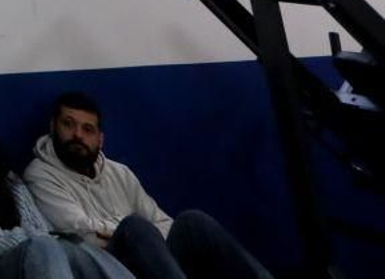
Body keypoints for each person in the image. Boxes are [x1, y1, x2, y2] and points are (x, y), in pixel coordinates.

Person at [22, 92, 273, 279]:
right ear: (53, 127)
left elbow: (163, 222)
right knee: (134, 226)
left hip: (154, 260)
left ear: (100, 139)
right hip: (105, 266)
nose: (78, 135)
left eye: (87, 129)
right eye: (68, 124)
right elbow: (78, 231)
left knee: (192, 222)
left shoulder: (119, 173)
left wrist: (145, 238)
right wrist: (131, 232)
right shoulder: (39, 173)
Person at [0, 99, 131, 279]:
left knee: (77, 246)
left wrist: (40, 241)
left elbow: (39, 227)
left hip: (16, 261)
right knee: (46, 246)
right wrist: (35, 242)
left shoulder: (8, 177)